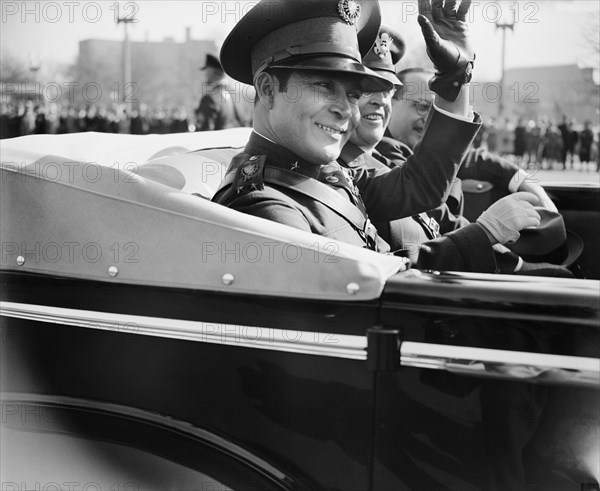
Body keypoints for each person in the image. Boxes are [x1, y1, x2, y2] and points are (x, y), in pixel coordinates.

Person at [213, 0, 543, 258]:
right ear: (268, 89)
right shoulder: (261, 203)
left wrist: (457, 74)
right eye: (325, 85)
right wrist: (482, 235)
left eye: (354, 93)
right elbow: (354, 297)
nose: (346, 109)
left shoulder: (318, 172)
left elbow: (420, 185)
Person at [340, 31, 569, 276]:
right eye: (361, 91)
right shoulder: (361, 167)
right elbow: (394, 272)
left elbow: (448, 202)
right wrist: (489, 233)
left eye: (386, 90)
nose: (379, 101)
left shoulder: (376, 161)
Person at [195, 54, 242, 131]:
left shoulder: (209, 98)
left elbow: (203, 133)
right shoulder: (235, 95)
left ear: (213, 71)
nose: (205, 74)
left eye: (207, 69)